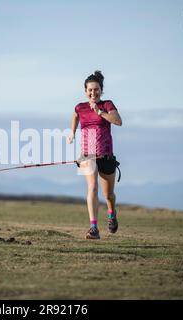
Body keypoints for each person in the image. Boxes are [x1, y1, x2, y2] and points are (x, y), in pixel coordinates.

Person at [67, 70, 123, 239]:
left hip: (105, 154)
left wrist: (100, 112)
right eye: (90, 90)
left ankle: (112, 213)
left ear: (101, 90)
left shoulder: (107, 105)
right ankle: (94, 229)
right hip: (87, 153)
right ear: (86, 91)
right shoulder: (80, 107)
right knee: (92, 187)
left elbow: (118, 121)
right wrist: (72, 133)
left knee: (108, 195)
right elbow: (75, 115)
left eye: (96, 89)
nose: (93, 92)